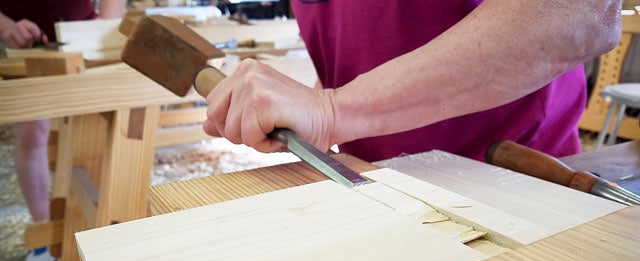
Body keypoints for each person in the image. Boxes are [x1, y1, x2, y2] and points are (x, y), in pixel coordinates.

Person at [203, 1, 621, 163]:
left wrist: (333, 111)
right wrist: (312, 102)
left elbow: (582, 11)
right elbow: (360, 34)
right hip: (378, 183)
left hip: (512, 183)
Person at [0, 0, 126, 261]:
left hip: (83, 31)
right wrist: (5, 25)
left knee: (102, 124)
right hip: (20, 38)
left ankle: (104, 227)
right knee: (32, 133)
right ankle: (45, 234)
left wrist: (105, 21)